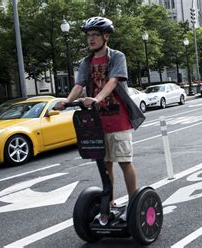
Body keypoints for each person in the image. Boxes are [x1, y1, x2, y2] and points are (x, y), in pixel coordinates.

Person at [54, 16, 146, 221]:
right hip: (97, 122)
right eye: (88, 36)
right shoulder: (86, 62)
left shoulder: (117, 57)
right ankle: (110, 203)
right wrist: (66, 101)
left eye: (95, 35)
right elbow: (79, 85)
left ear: (106, 36)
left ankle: (134, 204)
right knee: (106, 165)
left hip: (119, 119)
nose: (91, 39)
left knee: (124, 161)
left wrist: (97, 98)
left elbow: (113, 81)